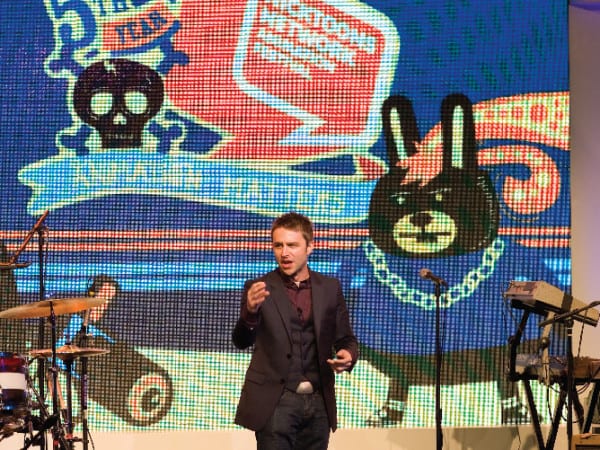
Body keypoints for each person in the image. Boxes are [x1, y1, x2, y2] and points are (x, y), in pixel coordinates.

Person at [232, 212, 358, 449]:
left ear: (310, 247)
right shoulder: (258, 288)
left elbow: (346, 338)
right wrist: (250, 311)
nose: (284, 253)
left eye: (292, 245)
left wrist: (348, 355)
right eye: (278, 245)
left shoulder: (329, 288)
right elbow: (241, 341)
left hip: (318, 402)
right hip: (276, 400)